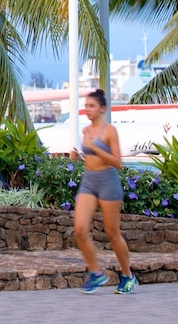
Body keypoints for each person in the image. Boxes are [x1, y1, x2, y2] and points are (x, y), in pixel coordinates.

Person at [69, 89, 137, 294]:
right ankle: (97, 273)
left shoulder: (109, 131)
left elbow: (118, 163)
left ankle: (128, 276)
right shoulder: (86, 132)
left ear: (102, 108)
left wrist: (97, 149)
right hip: (89, 181)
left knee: (112, 232)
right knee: (80, 229)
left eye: (91, 106)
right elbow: (90, 158)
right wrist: (78, 157)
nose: (87, 109)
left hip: (108, 181)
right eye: (86, 105)